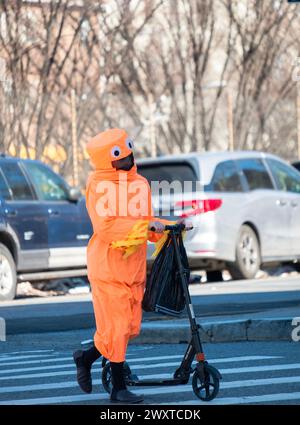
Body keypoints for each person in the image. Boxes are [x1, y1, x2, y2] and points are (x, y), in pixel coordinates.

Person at [73, 128, 173, 404]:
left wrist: (169, 228)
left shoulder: (140, 183)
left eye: (128, 151)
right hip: (107, 266)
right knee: (116, 328)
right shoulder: (98, 185)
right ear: (107, 160)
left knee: (127, 327)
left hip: (134, 267)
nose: (127, 157)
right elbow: (106, 226)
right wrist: (146, 226)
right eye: (119, 155)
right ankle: (118, 389)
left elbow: (147, 221)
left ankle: (86, 357)